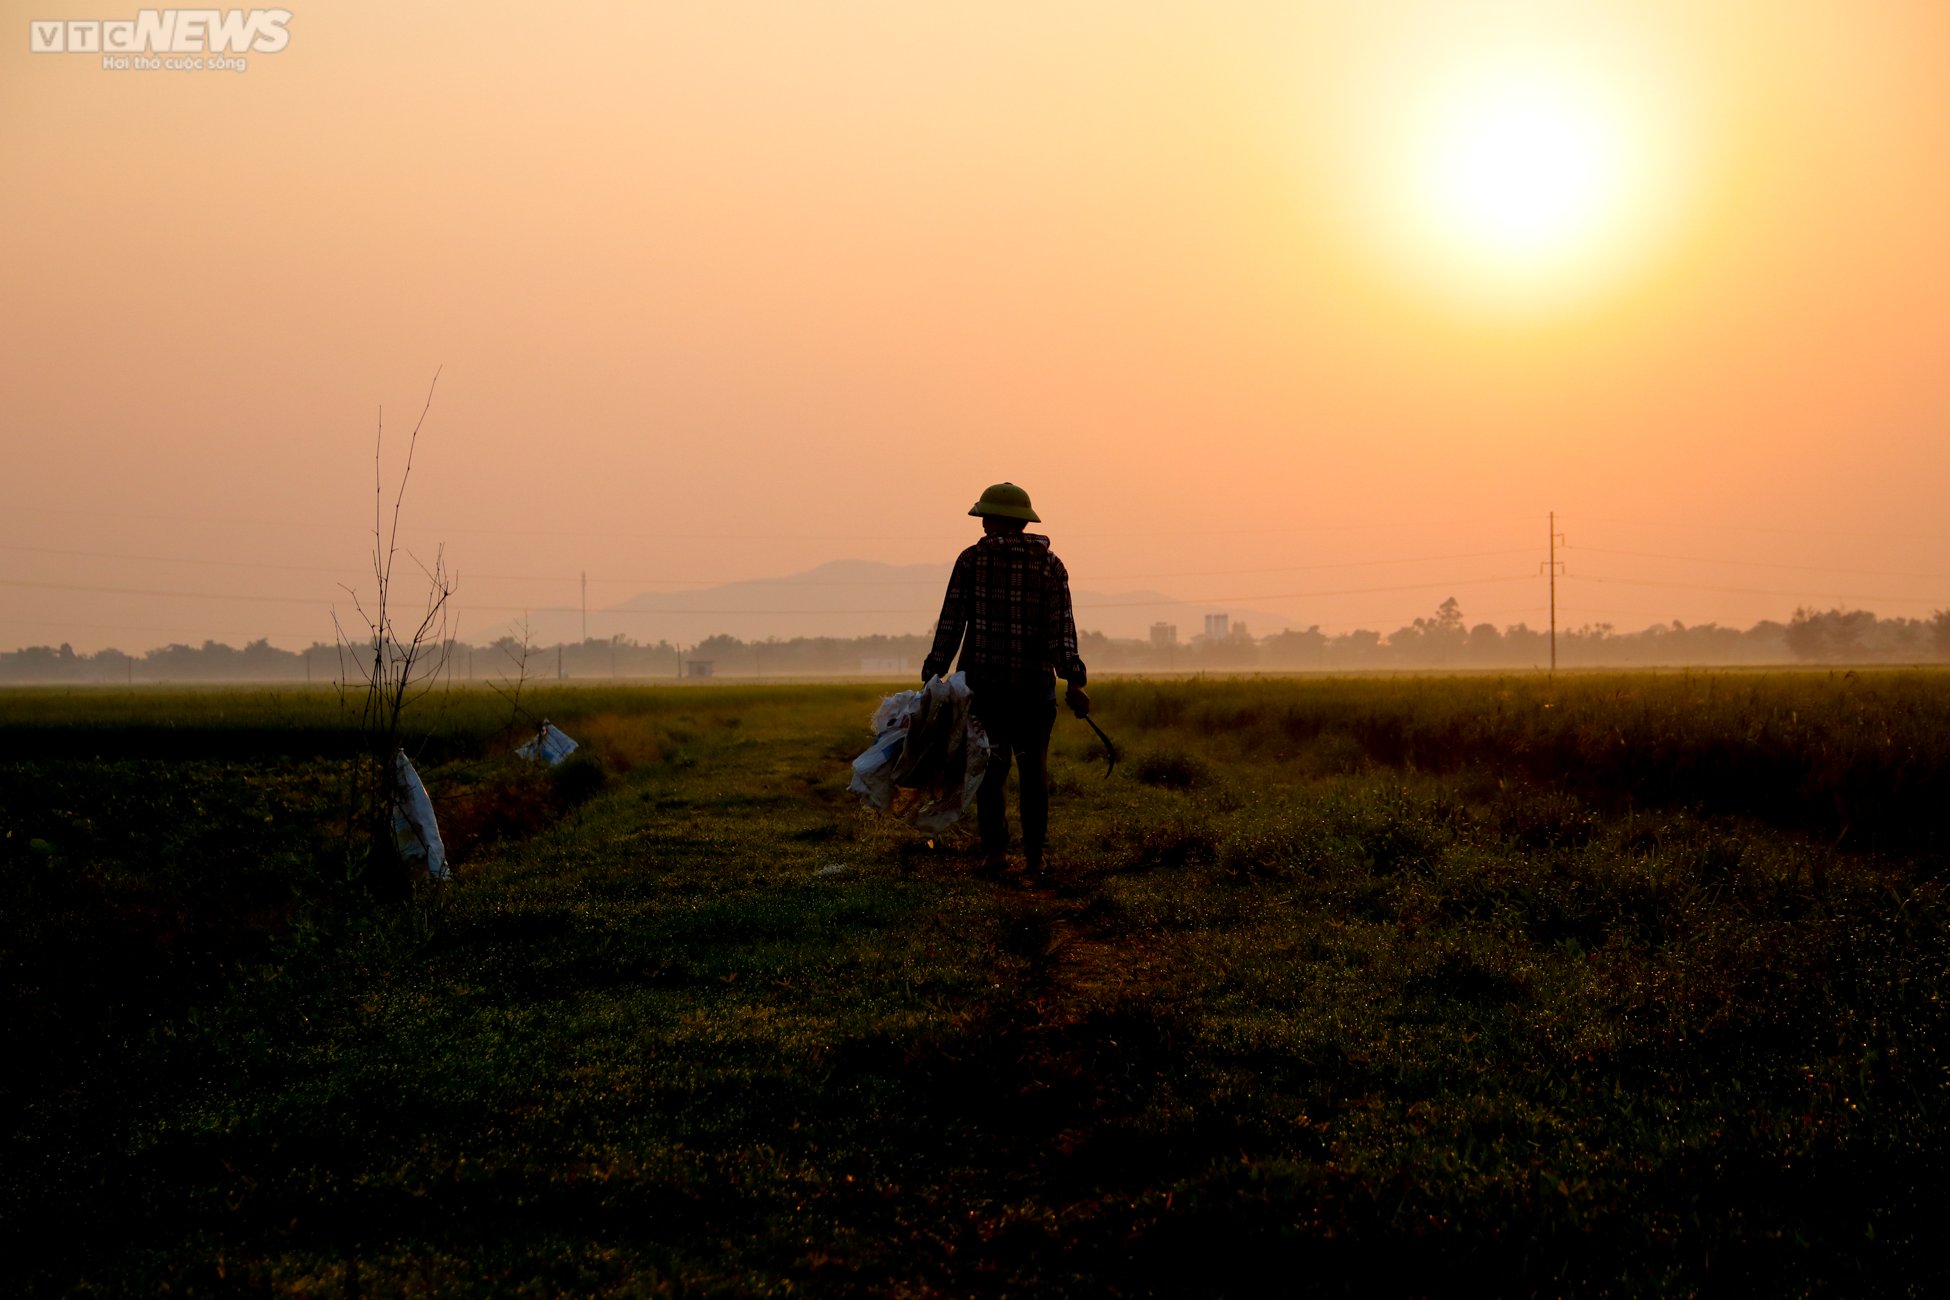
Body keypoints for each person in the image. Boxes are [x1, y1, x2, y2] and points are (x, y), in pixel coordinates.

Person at [922, 482, 1090, 874]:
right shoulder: (1052, 565)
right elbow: (1061, 630)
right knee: (1034, 775)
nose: (981, 525)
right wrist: (1074, 680)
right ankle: (1035, 856)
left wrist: (934, 671)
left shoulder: (971, 561)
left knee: (989, 772)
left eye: (985, 517)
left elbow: (951, 622)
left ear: (999, 519)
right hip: (1035, 693)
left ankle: (996, 853)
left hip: (984, 692)